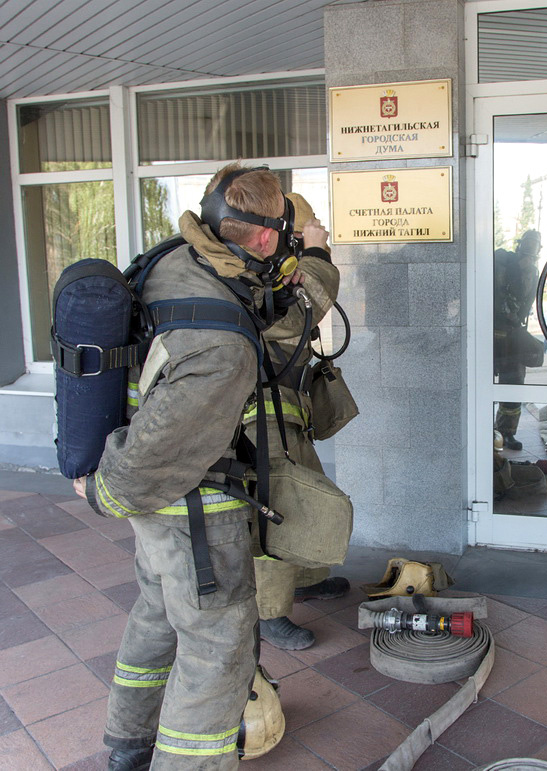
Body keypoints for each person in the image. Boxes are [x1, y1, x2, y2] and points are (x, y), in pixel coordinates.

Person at [73, 163, 297, 770]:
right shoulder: (220, 348)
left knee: (158, 619)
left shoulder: (177, 261)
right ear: (264, 237)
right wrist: (108, 494)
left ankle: (127, 744)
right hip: (193, 514)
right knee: (216, 648)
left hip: (159, 521)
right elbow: (165, 448)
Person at [248, 192, 351, 651]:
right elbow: (296, 317)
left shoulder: (269, 273)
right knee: (277, 509)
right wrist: (316, 253)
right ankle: (269, 613)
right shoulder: (240, 274)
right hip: (257, 422)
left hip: (286, 415)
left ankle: (304, 577)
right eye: (301, 231)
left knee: (307, 491)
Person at [493, 229, 543, 450]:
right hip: (490, 335)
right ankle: (481, 429)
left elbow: (528, 303)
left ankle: (506, 433)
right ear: (520, 245)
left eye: (535, 246)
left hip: (512, 338)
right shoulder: (501, 263)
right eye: (528, 245)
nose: (530, 251)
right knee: (480, 385)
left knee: (513, 385)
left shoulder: (533, 272)